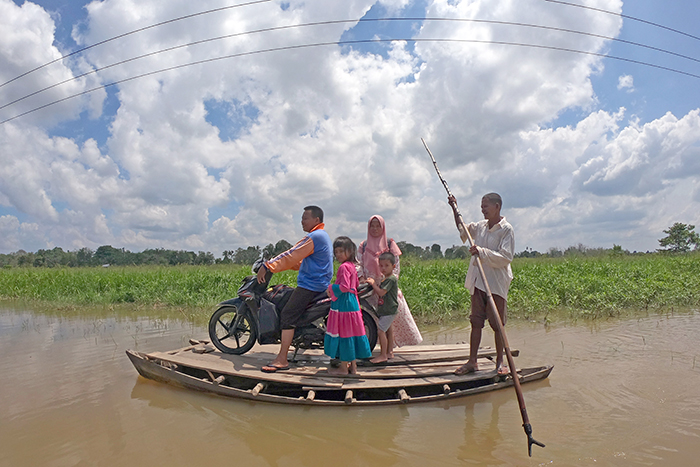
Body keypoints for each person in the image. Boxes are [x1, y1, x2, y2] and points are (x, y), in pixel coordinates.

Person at [257, 205, 333, 373]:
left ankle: (282, 359)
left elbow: (292, 254)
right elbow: (297, 261)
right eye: (302, 218)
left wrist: (268, 265)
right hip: (318, 283)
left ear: (316, 220)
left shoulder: (315, 236)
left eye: (305, 218)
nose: (301, 221)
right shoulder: (321, 236)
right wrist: (281, 267)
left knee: (288, 315)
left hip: (311, 286)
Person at [448, 193, 515, 376]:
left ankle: (500, 362)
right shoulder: (481, 226)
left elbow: (505, 257)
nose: (482, 209)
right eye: (481, 206)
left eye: (486, 206)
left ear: (497, 207)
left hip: (496, 283)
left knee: (497, 324)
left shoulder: (506, 230)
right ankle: (472, 361)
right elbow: (463, 229)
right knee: (476, 322)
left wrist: (481, 251)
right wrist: (455, 208)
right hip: (479, 281)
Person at [358, 215, 422, 351]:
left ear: (383, 227)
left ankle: (389, 350)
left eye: (378, 226)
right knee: (375, 319)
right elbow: (359, 264)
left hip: (386, 288)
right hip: (370, 288)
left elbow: (396, 264)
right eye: (372, 226)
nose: (375, 229)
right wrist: (362, 278)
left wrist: (390, 280)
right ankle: (384, 349)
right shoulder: (363, 245)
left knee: (391, 319)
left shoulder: (389, 243)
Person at [324, 236, 372, 375]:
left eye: (341, 251)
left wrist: (332, 287)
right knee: (351, 334)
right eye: (336, 251)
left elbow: (344, 287)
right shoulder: (352, 267)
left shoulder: (343, 267)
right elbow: (355, 285)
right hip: (353, 303)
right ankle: (353, 367)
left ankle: (343, 368)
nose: (338, 254)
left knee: (344, 334)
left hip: (343, 305)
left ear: (349, 251)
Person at [366, 252, 399, 364]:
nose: (383, 268)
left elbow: (381, 292)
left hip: (389, 310)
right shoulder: (386, 279)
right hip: (387, 309)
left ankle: (383, 355)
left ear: (393, 266)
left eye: (386, 265)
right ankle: (389, 351)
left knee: (381, 332)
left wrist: (373, 284)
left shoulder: (391, 279)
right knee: (388, 330)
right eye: (381, 266)